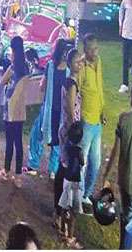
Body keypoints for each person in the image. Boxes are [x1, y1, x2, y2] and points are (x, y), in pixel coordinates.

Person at [101, 80, 132, 250]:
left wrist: (106, 176)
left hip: (127, 182)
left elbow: (115, 152)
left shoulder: (124, 120)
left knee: (128, 224)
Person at [27, 39, 71, 178]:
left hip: (48, 109)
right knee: (57, 141)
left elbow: (42, 86)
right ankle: (53, 170)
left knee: (37, 135)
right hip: (61, 112)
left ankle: (33, 165)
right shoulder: (69, 71)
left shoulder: (50, 66)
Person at [53, 48, 84, 226]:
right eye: (77, 61)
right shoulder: (71, 84)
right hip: (69, 133)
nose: (80, 64)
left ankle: (60, 209)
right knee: (64, 171)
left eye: (81, 61)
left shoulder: (71, 81)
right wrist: (75, 134)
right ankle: (59, 211)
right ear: (70, 63)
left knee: (63, 169)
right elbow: (71, 112)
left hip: (67, 131)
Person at [0, 36, 30, 188]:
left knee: (10, 141)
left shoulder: (13, 67)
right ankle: (18, 176)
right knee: (18, 143)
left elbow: (2, 81)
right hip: (20, 110)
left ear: (13, 50)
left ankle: (6, 170)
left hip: (10, 108)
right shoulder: (26, 67)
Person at [78, 33, 104, 206]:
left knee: (96, 161)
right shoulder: (81, 66)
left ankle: (86, 194)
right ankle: (78, 195)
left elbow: (100, 87)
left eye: (96, 48)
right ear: (85, 50)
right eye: (91, 49)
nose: (95, 52)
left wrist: (103, 110)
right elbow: (77, 92)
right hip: (86, 120)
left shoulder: (98, 62)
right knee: (83, 161)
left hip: (98, 121)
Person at [57, 121, 84, 248]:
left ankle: (63, 229)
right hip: (75, 183)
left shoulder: (67, 149)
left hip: (66, 180)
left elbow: (65, 161)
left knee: (64, 206)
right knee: (73, 212)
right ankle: (70, 237)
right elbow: (82, 163)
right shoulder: (79, 151)